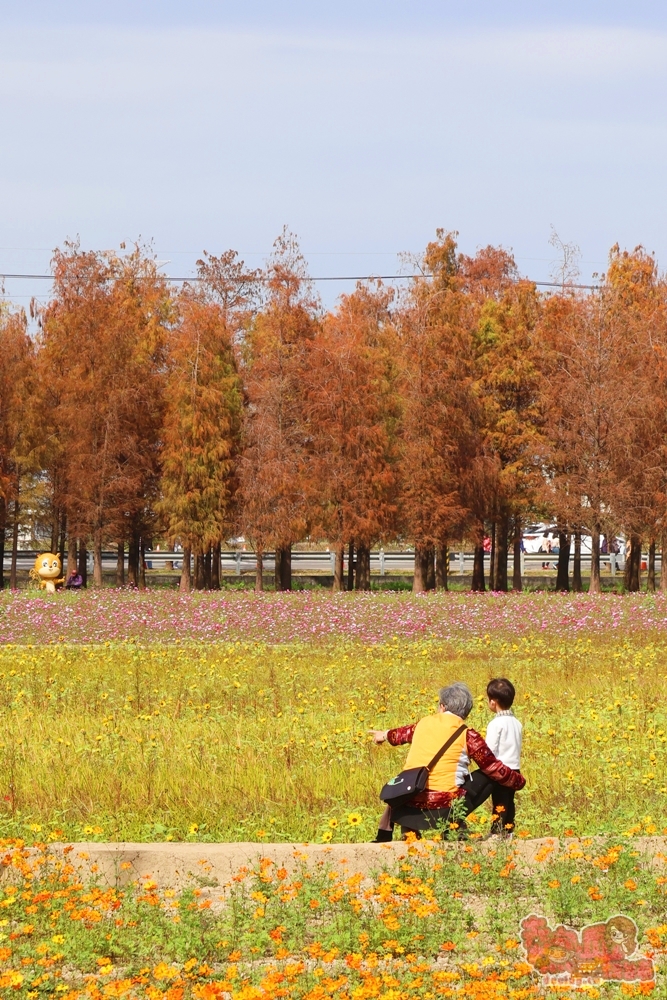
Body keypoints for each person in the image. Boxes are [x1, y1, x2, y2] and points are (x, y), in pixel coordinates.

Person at [370, 682, 526, 841]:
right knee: (489, 775)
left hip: (409, 805)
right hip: (445, 809)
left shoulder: (422, 724)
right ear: (466, 712)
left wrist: (383, 735)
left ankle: (410, 830)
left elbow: (400, 734)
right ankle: (454, 826)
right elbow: (492, 767)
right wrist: (517, 780)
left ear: (442, 706)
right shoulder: (468, 735)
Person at [484, 678, 522, 836]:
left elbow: (489, 749)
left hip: (500, 770)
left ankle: (497, 833)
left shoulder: (496, 724)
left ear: (493, 702)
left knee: (499, 802)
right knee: (509, 801)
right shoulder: (517, 723)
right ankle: (509, 830)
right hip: (515, 768)